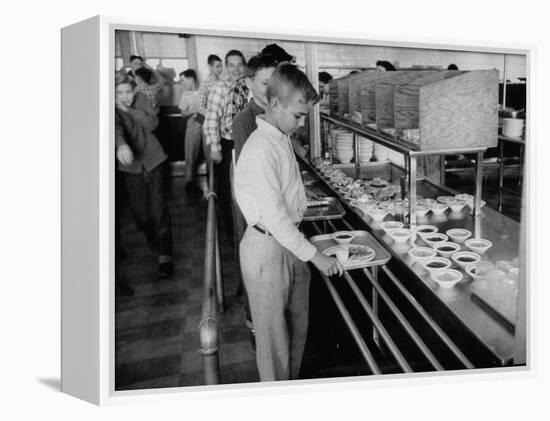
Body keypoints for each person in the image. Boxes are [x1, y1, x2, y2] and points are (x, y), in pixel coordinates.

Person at [235, 64, 344, 381]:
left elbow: (287, 196)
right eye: (298, 116)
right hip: (266, 246)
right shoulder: (259, 149)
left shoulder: (280, 136)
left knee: (297, 325)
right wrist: (317, 257)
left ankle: (290, 386)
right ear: (274, 105)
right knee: (273, 342)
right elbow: (275, 218)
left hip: (287, 241)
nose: (300, 124)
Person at [231, 53, 278, 350]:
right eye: (264, 83)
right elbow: (251, 175)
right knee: (256, 271)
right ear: (249, 82)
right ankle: (255, 328)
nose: (270, 88)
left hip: (271, 208)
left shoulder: (273, 112)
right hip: (255, 213)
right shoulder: (244, 119)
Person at [115, 75, 174, 278]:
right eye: (119, 93)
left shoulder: (140, 100)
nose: (124, 97)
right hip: (131, 166)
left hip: (153, 159)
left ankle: (165, 255)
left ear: (134, 90)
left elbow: (152, 124)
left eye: (128, 92)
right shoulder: (110, 107)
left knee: (158, 210)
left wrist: (128, 110)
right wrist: (121, 145)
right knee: (141, 215)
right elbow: (116, 128)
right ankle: (155, 240)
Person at [203, 49, 246, 237]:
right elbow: (211, 119)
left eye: (239, 65)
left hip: (245, 145)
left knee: (245, 190)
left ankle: (244, 228)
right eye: (231, 65)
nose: (236, 69)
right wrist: (215, 147)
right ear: (226, 67)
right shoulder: (219, 88)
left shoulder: (245, 87)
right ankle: (231, 232)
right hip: (227, 146)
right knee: (228, 191)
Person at [178, 69, 205, 197]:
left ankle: (213, 181)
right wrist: (192, 111)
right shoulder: (185, 95)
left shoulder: (204, 91)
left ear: (191, 79)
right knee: (190, 154)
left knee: (210, 154)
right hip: (193, 125)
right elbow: (183, 113)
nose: (182, 83)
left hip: (206, 125)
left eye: (183, 80)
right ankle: (190, 183)